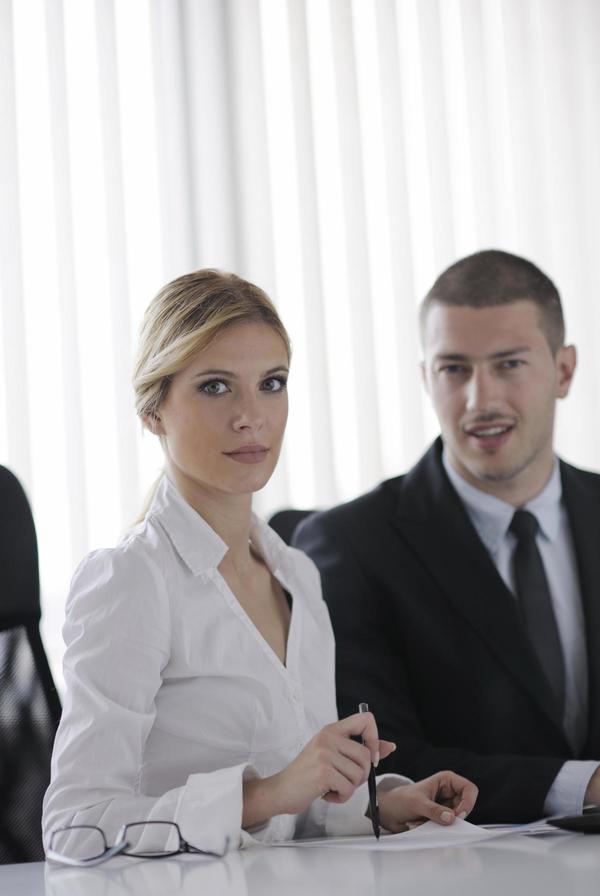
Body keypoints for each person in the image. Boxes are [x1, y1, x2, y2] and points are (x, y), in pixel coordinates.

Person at [42, 269, 477, 857]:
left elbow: (296, 814)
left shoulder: (296, 574)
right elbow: (75, 827)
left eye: (271, 383)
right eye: (216, 387)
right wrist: (265, 794)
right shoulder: (132, 580)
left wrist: (383, 805)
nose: (252, 416)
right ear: (153, 411)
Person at [294, 249, 600, 825]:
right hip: (455, 890)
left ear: (564, 371)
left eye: (509, 364)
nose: (479, 400)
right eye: (454, 369)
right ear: (425, 377)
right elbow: (375, 763)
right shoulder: (350, 546)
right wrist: (599, 786)